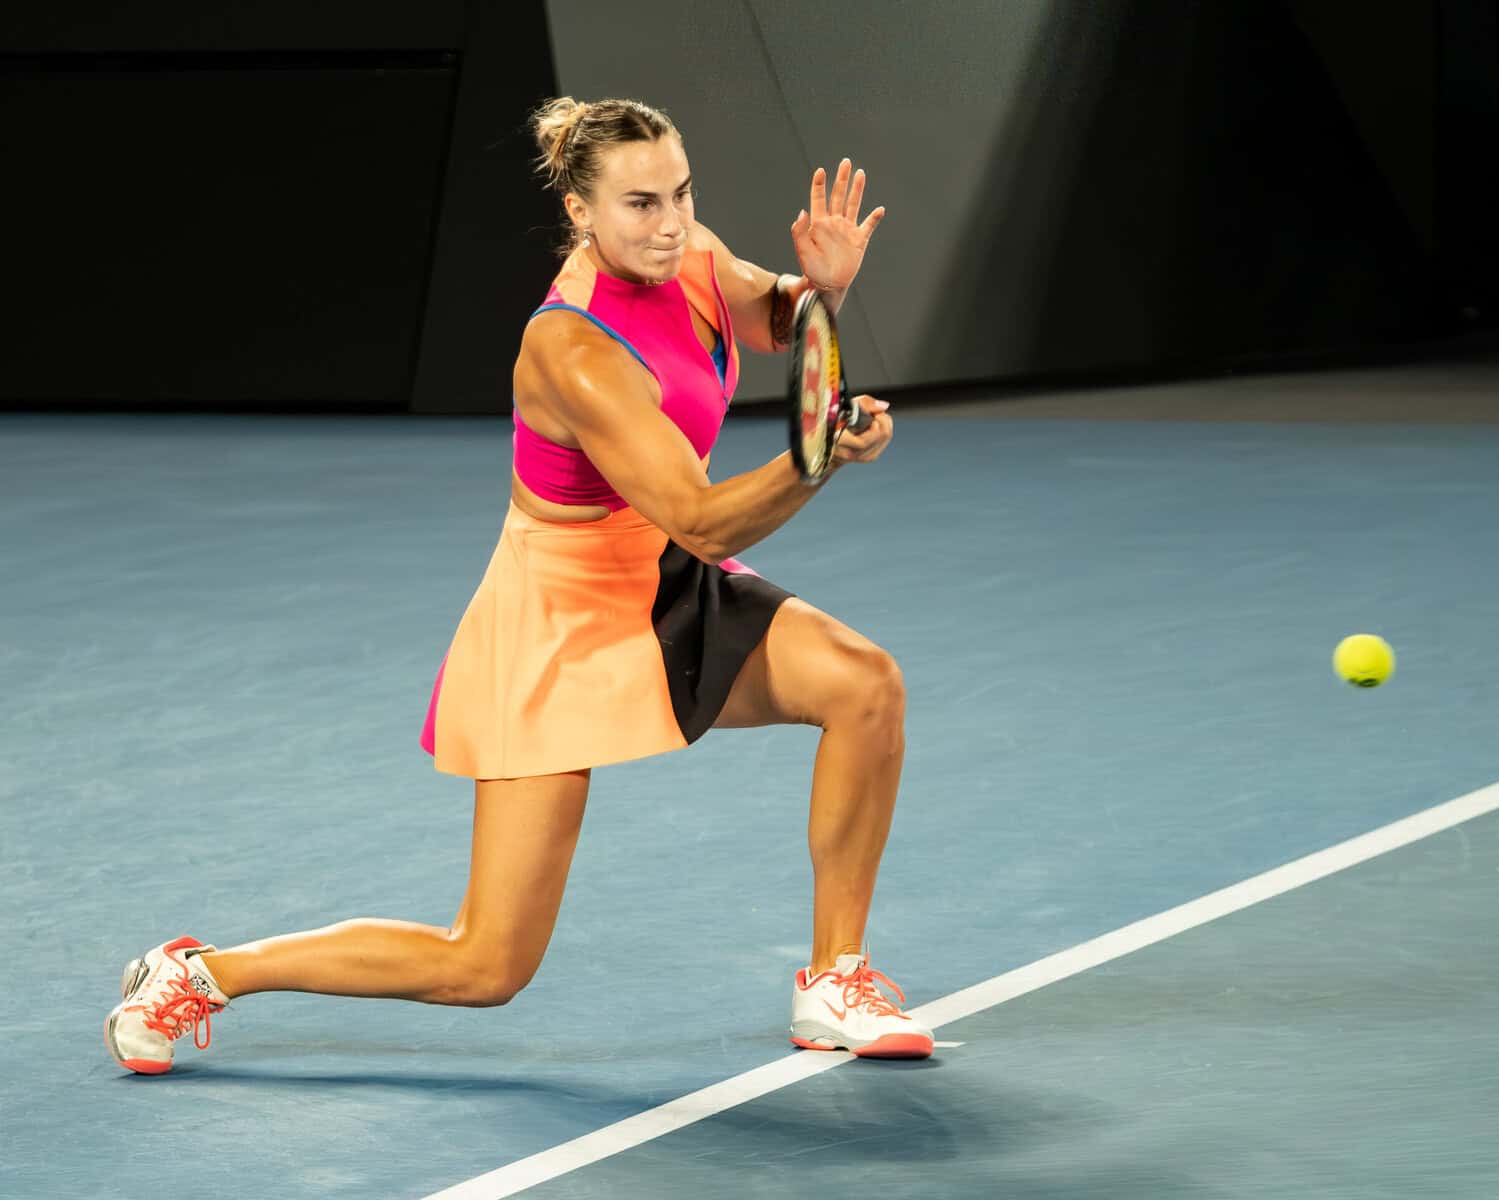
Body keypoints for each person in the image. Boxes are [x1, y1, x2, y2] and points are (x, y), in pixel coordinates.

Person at [104, 96, 933, 1075]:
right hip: (558, 626)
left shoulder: (687, 253)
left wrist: (818, 294)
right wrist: (817, 457)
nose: (668, 221)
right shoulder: (571, 352)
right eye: (638, 204)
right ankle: (203, 971)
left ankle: (835, 979)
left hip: (657, 577)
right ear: (581, 211)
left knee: (861, 685)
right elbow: (704, 519)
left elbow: (770, 313)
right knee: (485, 963)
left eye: (680, 192)